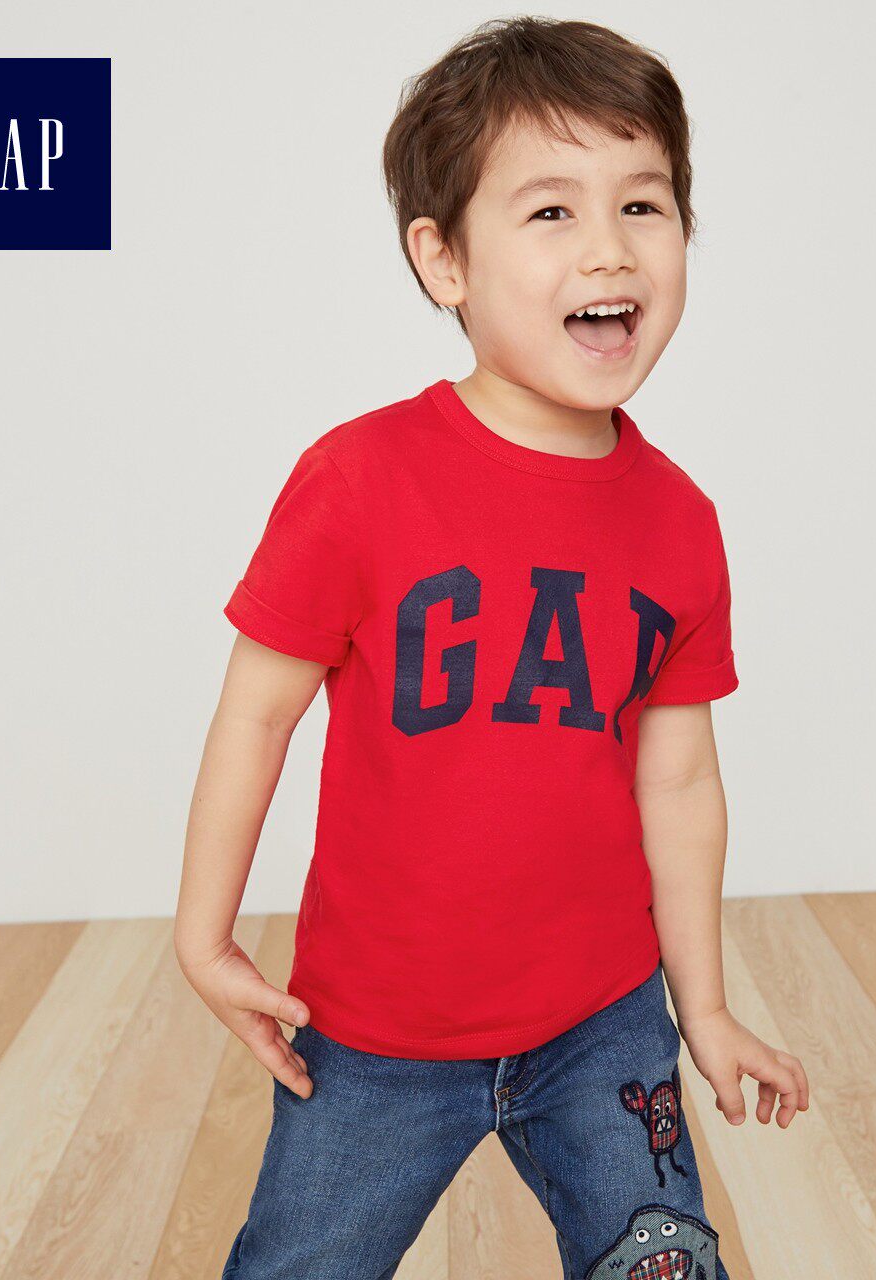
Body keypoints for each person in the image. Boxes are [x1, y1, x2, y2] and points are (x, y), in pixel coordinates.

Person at [175, 16, 809, 1280]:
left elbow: (679, 781)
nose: (608, 246)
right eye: (551, 211)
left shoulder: (679, 521)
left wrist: (703, 1007)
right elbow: (256, 712)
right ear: (443, 260)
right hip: (375, 1034)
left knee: (665, 1265)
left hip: (602, 1024)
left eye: (642, 204)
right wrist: (205, 932)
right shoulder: (358, 480)